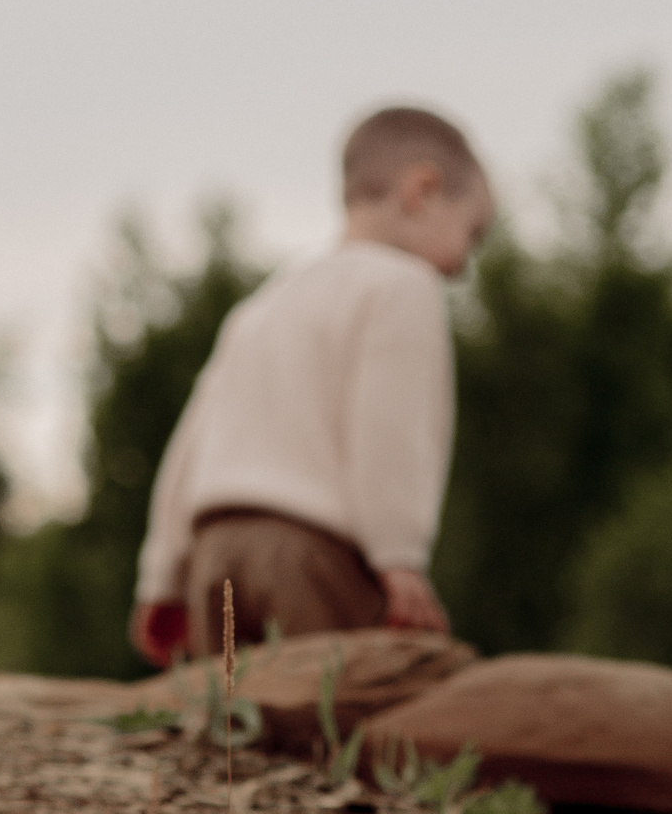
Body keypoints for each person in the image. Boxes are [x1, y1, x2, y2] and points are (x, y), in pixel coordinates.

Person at [128, 106, 492, 668]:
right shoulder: (403, 286)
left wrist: (161, 577)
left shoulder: (263, 305)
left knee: (234, 736)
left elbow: (189, 448)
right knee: (341, 726)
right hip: (310, 557)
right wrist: (400, 557)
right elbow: (387, 430)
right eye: (474, 233)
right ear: (422, 190)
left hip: (213, 555)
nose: (465, 265)